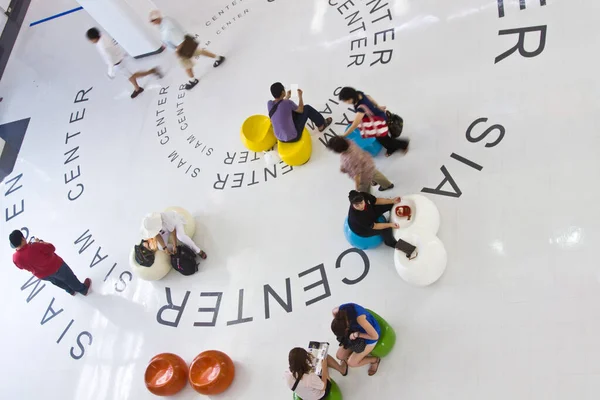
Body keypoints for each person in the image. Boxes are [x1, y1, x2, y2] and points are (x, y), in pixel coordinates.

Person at [149, 10, 225, 90]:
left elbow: (179, 41)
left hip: (182, 48)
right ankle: (218, 58)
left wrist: (177, 52)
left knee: (187, 66)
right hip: (186, 42)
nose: (152, 23)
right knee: (199, 52)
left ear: (157, 19)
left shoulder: (167, 28)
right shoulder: (166, 21)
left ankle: (193, 80)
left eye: (152, 21)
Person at [9, 230, 91, 296]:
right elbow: (51, 248)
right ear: (23, 239)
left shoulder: (15, 258)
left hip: (42, 275)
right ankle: (82, 289)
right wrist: (40, 242)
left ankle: (70, 291)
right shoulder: (34, 246)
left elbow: (21, 267)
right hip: (56, 266)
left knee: (57, 282)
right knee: (69, 278)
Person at [86, 28, 162, 99]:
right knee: (129, 76)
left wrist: (110, 74)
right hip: (122, 56)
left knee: (133, 75)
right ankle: (137, 88)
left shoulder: (102, 46)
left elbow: (110, 61)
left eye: (90, 39)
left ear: (94, 38)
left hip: (118, 63)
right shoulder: (104, 35)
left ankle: (152, 71)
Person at [338, 87, 409, 157]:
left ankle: (403, 144)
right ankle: (390, 148)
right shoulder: (359, 94)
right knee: (382, 138)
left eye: (345, 100)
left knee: (385, 140)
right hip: (378, 116)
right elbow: (369, 97)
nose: (346, 102)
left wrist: (344, 135)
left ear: (351, 98)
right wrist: (378, 106)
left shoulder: (361, 108)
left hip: (378, 122)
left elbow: (354, 125)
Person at [347, 190, 418, 259]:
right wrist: (390, 225)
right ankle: (390, 243)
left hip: (370, 213)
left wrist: (392, 201)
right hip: (363, 229)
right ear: (352, 204)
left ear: (363, 198)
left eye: (361, 203)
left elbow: (376, 201)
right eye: (357, 205)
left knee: (391, 204)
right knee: (386, 229)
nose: (360, 206)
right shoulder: (356, 217)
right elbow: (375, 226)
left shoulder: (364, 195)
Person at [268, 82, 332, 143]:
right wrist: (300, 96)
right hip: (293, 137)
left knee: (291, 111)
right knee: (307, 108)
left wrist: (287, 96)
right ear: (282, 92)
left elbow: (281, 106)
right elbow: (301, 110)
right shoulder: (288, 102)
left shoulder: (269, 103)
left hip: (280, 138)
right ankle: (321, 125)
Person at [327, 136, 393, 192]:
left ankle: (368, 199)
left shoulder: (350, 158)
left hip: (363, 174)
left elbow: (357, 175)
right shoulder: (349, 142)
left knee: (364, 188)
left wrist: (357, 187)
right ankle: (387, 185)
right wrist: (344, 166)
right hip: (367, 163)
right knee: (376, 174)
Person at [331, 303, 381, 376]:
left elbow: (375, 336)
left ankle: (375, 360)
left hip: (369, 335)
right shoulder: (338, 312)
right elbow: (333, 311)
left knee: (352, 363)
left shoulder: (359, 319)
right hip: (353, 332)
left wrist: (357, 334)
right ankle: (354, 353)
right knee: (339, 356)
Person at [141, 211, 207, 259]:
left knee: (181, 237)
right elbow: (157, 235)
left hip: (175, 223)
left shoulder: (164, 218)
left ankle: (198, 250)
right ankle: (179, 250)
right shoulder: (151, 226)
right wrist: (165, 248)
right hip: (165, 231)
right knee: (161, 247)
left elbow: (173, 231)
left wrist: (174, 245)